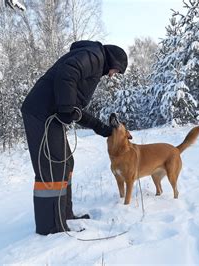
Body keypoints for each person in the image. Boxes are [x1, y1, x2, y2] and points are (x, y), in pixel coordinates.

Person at [20, 40, 128, 235]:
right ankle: (51, 226)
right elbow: (67, 73)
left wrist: (100, 128)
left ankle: (64, 214)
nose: (113, 76)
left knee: (66, 163)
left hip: (51, 117)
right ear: (115, 62)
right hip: (41, 114)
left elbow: (74, 109)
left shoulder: (93, 62)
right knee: (53, 167)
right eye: (117, 71)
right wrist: (65, 109)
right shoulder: (95, 55)